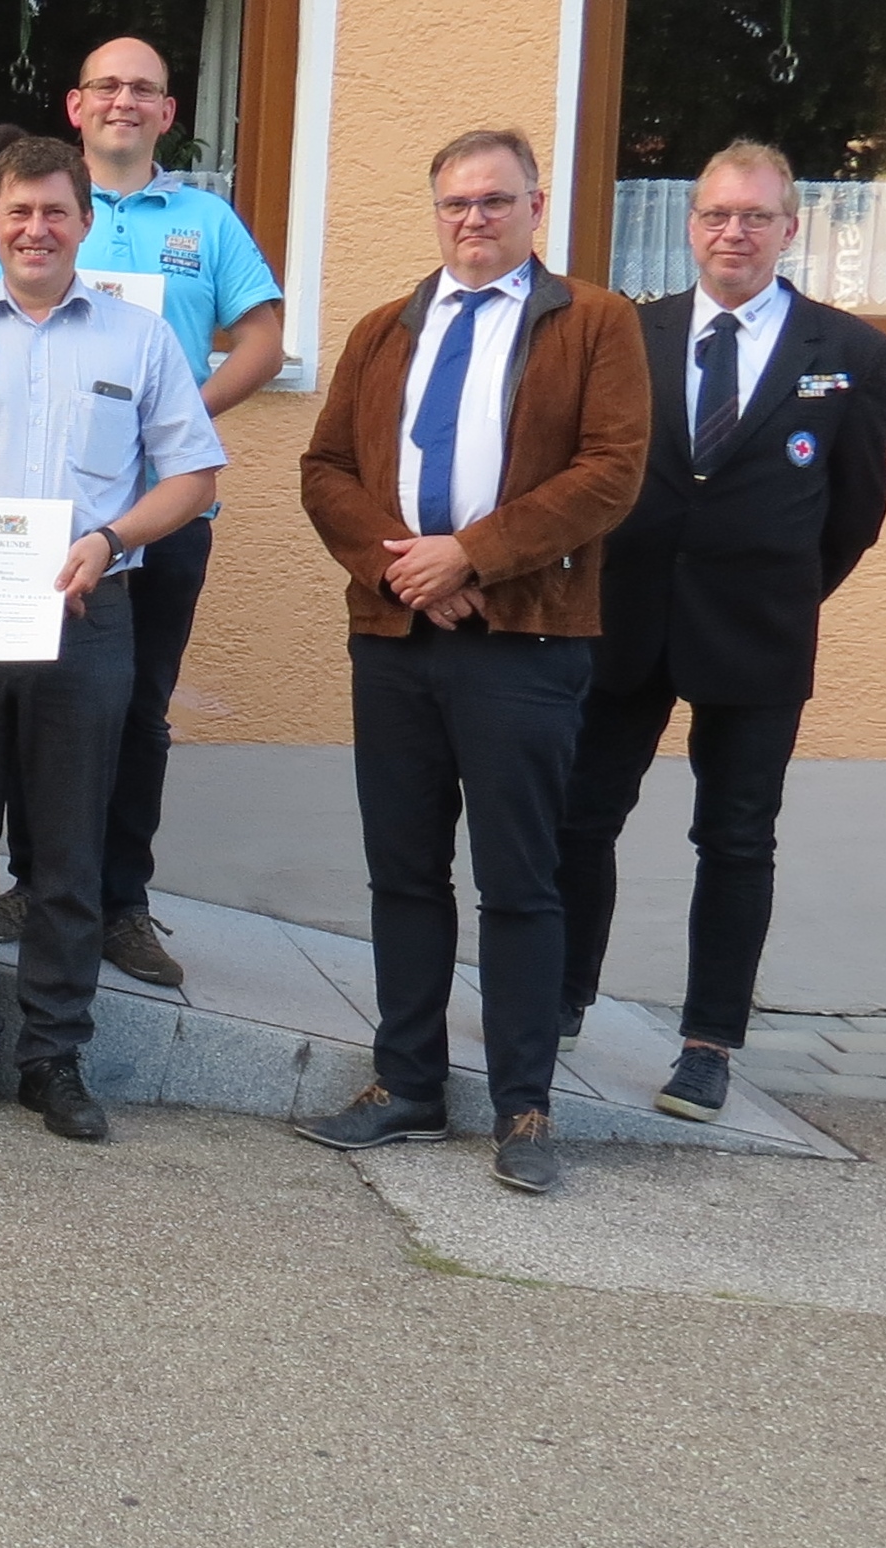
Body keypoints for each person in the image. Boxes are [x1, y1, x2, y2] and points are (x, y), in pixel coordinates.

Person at [293, 128, 647, 1196]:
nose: (474, 219)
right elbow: (324, 469)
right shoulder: (382, 329)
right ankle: (407, 1083)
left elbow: (611, 472)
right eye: (455, 203)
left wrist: (472, 559)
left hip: (524, 643)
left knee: (522, 883)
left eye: (496, 201)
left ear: (537, 206)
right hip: (397, 640)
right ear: (435, 210)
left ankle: (524, 1104)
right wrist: (403, 570)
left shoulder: (593, 323)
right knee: (403, 873)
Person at [0, 136, 220, 1142]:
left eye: (55, 213)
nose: (36, 229)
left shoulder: (138, 339)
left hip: (90, 611)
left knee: (69, 849)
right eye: (17, 212)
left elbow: (192, 477)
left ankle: (55, 1057)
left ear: (83, 223)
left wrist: (108, 540)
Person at [555, 141, 886, 1122]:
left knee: (737, 839)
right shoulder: (626, 330)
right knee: (582, 818)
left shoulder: (850, 353)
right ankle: (564, 998)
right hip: (622, 618)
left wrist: (780, 587)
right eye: (715, 215)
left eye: (755, 216)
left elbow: (854, 513)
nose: (733, 233)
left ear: (791, 228)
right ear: (691, 225)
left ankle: (707, 1044)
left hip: (757, 631)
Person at [0, 37, 288, 985]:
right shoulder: (44, 208)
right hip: (49, 520)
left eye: (142, 89)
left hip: (165, 512)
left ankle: (121, 901)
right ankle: (31, 881)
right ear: (73, 103)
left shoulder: (205, 220)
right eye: (105, 85)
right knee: (40, 697)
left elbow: (262, 342)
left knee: (139, 708)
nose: (123, 101)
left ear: (167, 111)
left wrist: (178, 419)